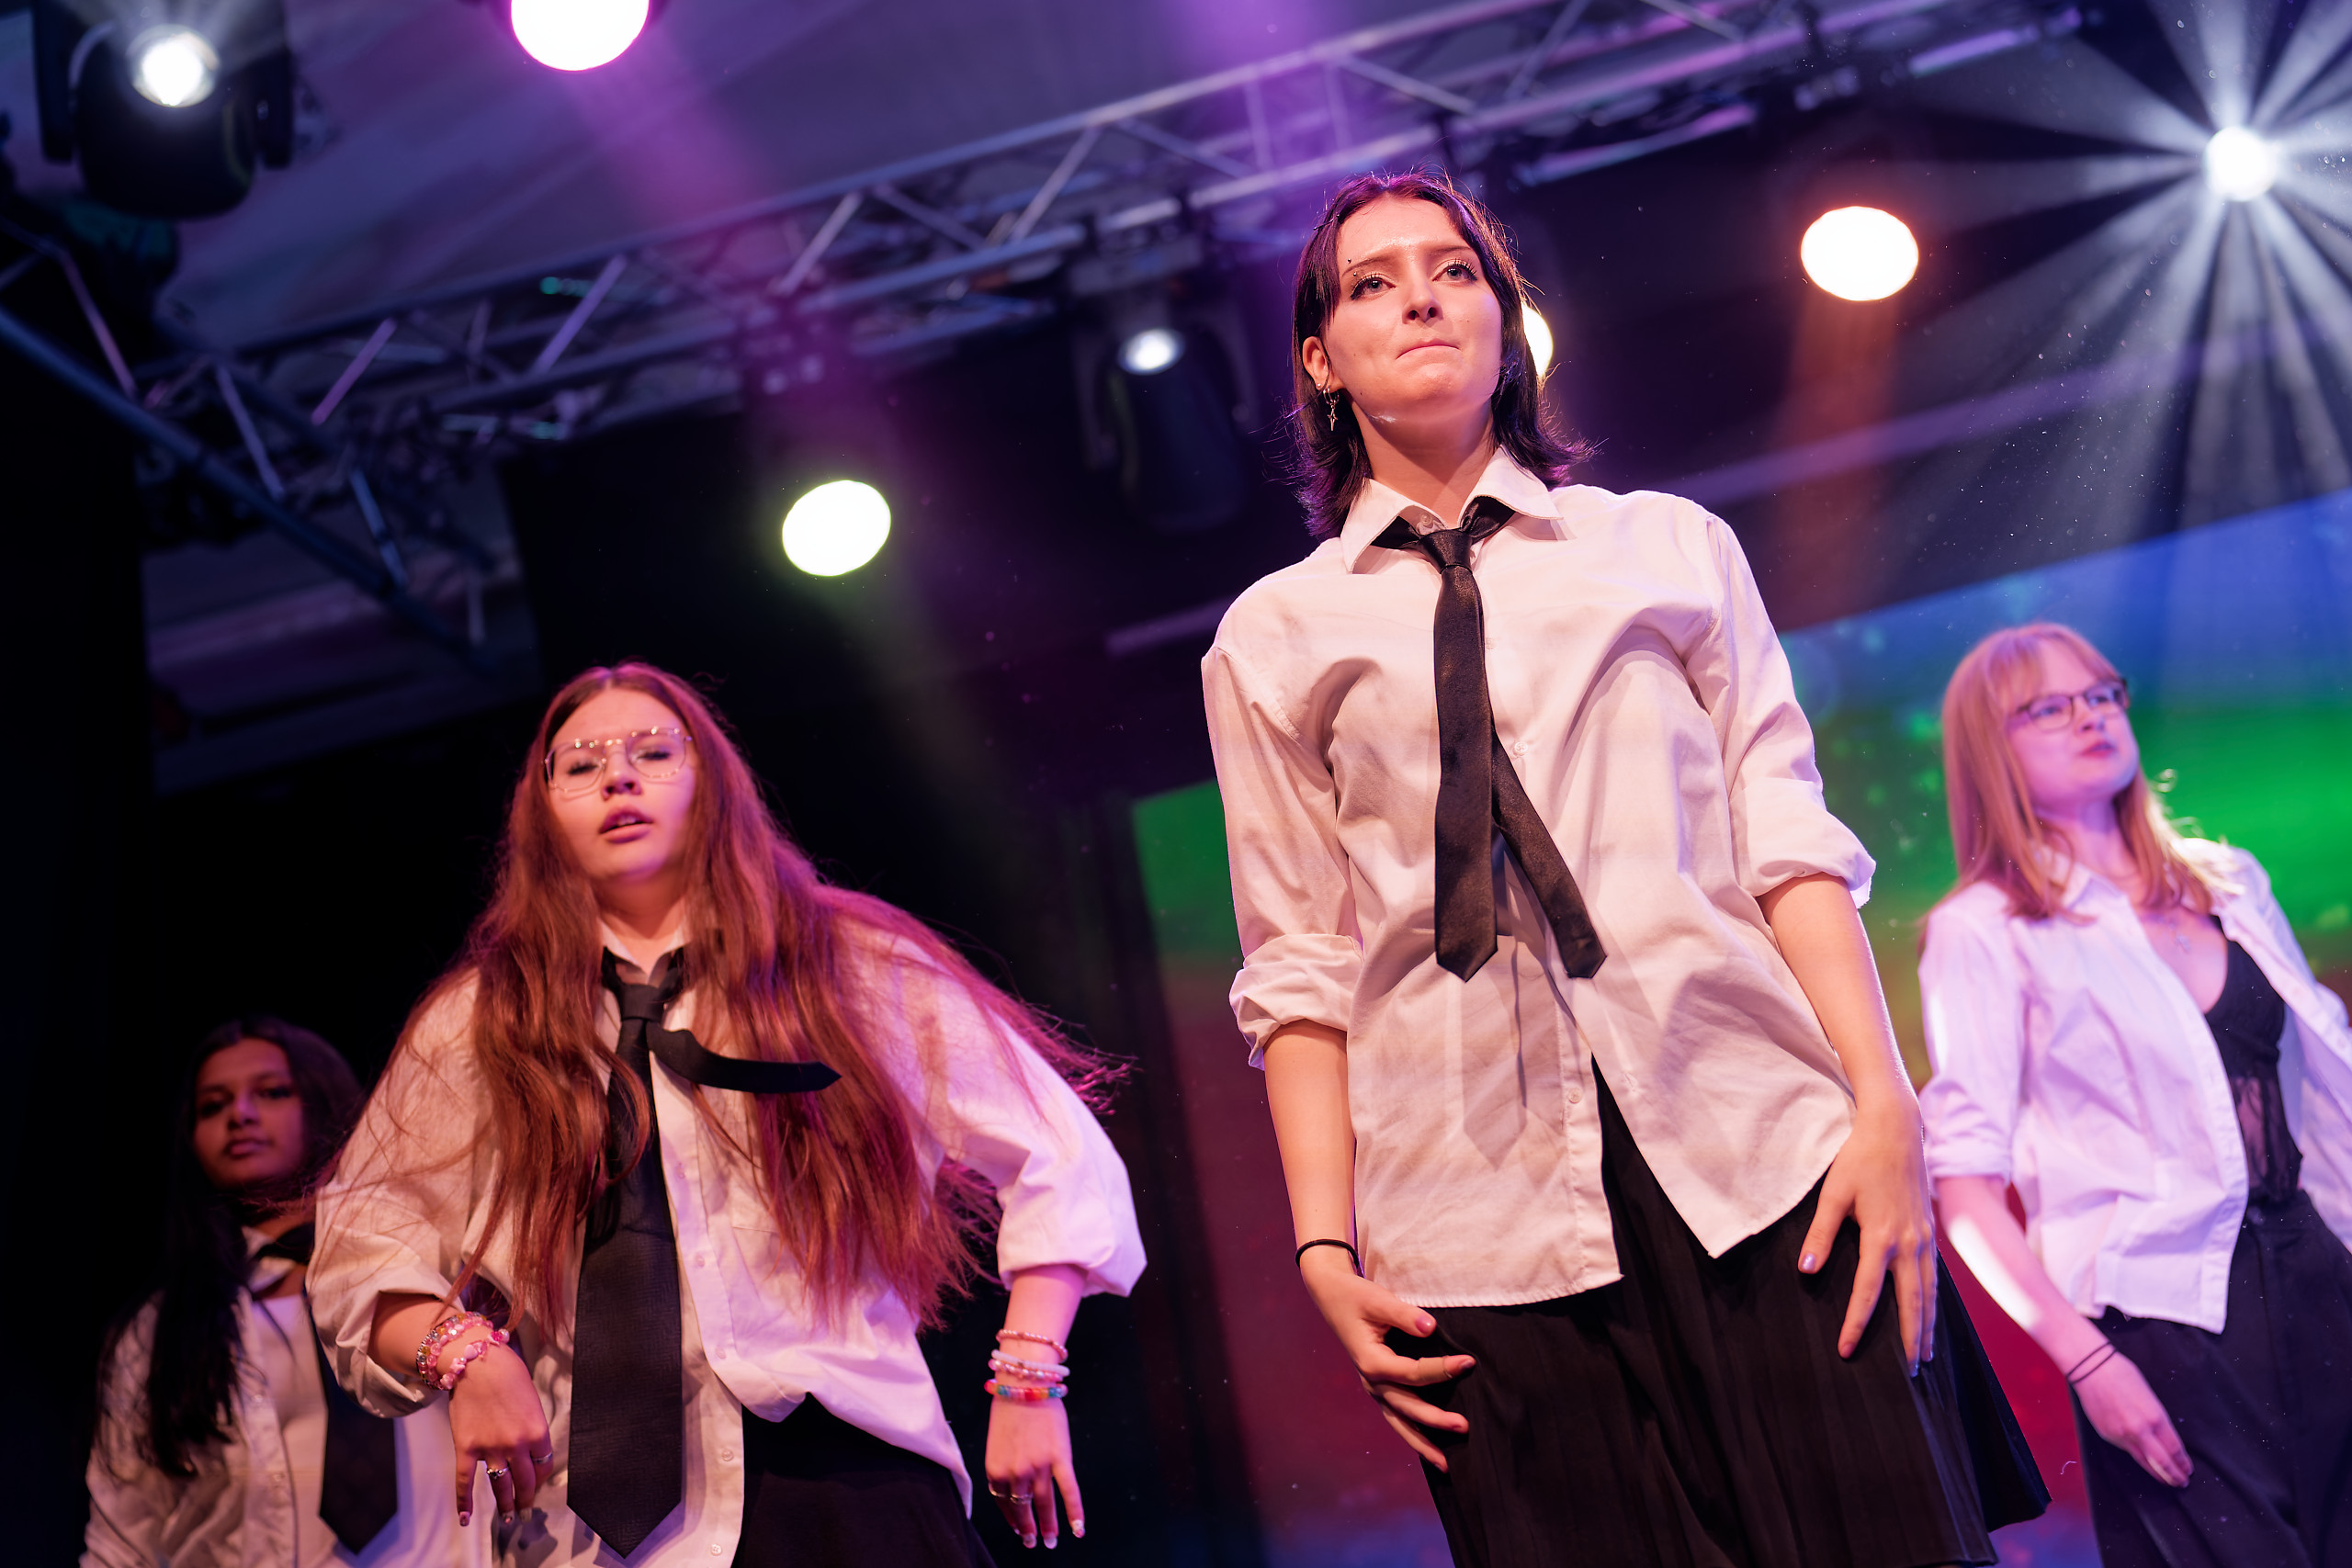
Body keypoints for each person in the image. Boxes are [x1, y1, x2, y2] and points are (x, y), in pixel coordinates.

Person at [1202, 169, 2046, 1568]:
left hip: (1762, 1150)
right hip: (1472, 1214)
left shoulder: (1664, 545)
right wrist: (1323, 1249)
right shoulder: (1272, 635)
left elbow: (1785, 840)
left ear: (1507, 319)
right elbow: (1297, 963)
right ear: (1320, 361)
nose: (1421, 298)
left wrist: (1883, 1107)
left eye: (1456, 270)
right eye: (1372, 283)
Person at [308, 661, 1143, 1567]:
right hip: (594, 1530)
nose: (618, 778)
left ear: (710, 783)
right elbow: (360, 1243)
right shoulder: (480, 1021)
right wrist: (467, 1354)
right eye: (580, 765)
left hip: (850, 1487)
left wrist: (1028, 1377)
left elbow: (1060, 1154)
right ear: (540, 812)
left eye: (652, 753)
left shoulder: (844, 966)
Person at [1919, 621, 2352, 1567]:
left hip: (2318, 1278)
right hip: (2165, 1324)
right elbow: (1965, 1192)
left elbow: (2325, 1095)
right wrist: (2089, 1362)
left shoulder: (2230, 882)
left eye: (2101, 693)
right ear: (1990, 749)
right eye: (2048, 707)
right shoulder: (1984, 930)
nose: (2090, 717)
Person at [85, 1017, 481, 1568]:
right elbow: (122, 1535)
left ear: (324, 1101)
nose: (240, 1115)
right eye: (213, 1105)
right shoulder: (158, 1330)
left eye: (271, 1092)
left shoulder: (436, 1270)